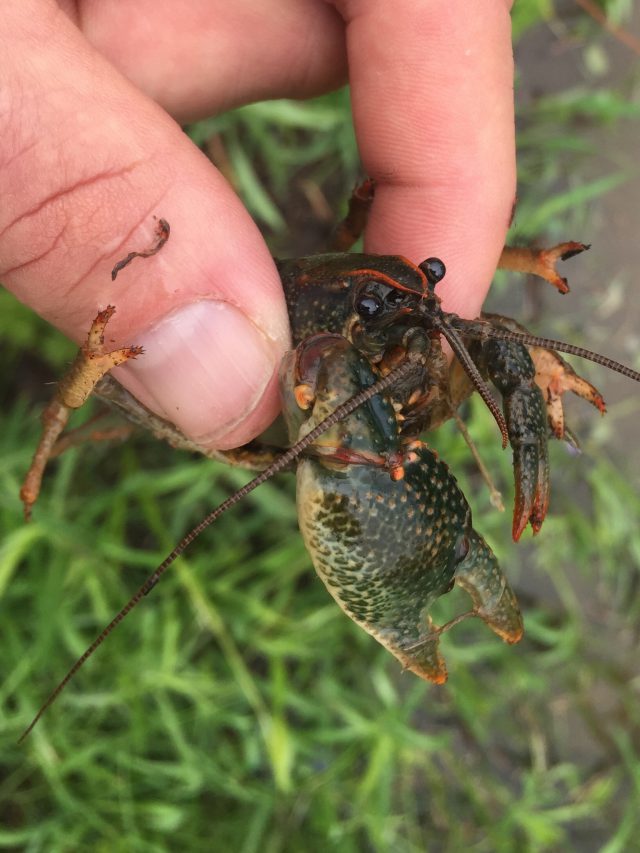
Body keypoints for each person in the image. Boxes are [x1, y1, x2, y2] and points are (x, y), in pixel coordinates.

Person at [1, 0, 516, 451]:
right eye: (367, 306)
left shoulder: (397, 333)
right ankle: (56, 434)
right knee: (99, 374)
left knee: (485, 333)